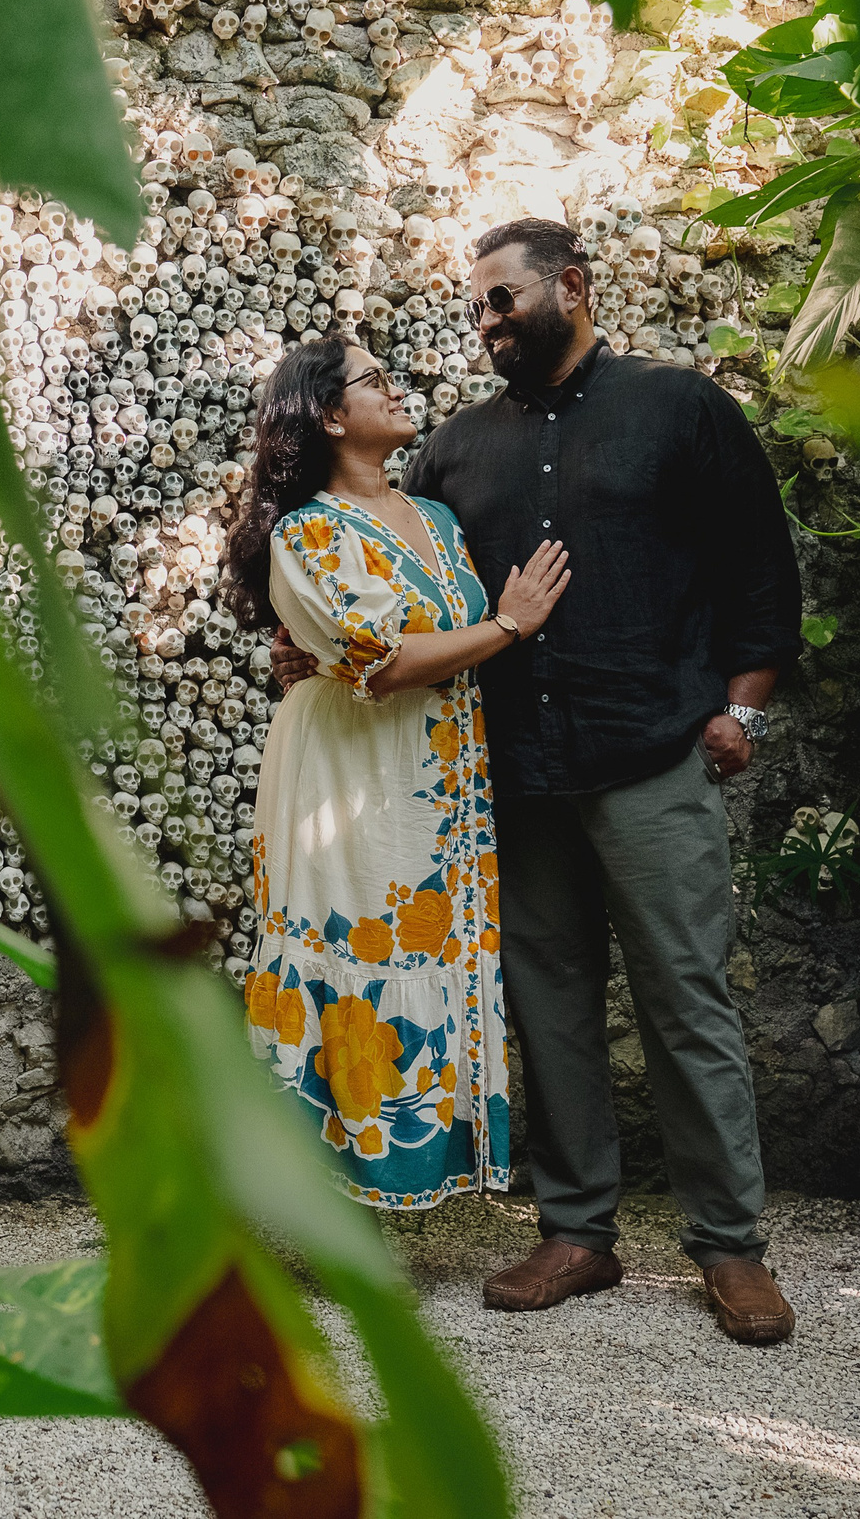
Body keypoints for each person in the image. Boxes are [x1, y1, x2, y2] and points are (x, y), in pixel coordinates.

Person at [272, 219, 804, 1345]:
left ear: (572, 286)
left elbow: (760, 568)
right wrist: (311, 652)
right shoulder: (455, 451)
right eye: (478, 305)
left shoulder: (680, 408)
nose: (487, 321)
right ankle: (576, 1232)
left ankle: (730, 1246)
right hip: (512, 778)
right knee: (549, 1005)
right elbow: (399, 589)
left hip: (650, 755)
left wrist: (743, 706)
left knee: (686, 997)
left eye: (502, 299)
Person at [223, 338, 571, 1209]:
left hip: (437, 775)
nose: (395, 387)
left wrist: (494, 631)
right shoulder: (306, 531)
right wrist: (509, 625)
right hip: (348, 770)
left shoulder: (438, 518)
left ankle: (405, 1170)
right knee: (353, 946)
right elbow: (379, 663)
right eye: (373, 380)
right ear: (331, 416)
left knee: (429, 947)